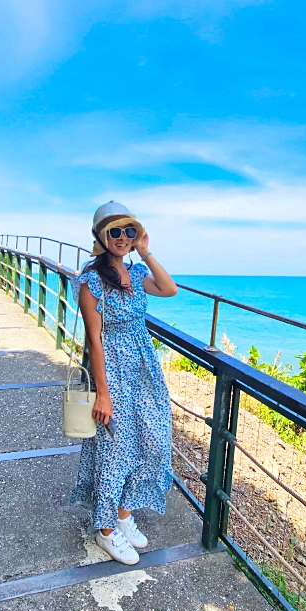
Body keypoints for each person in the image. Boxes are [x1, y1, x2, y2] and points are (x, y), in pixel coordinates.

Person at [70, 201, 178, 565]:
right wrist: (103, 393)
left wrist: (146, 253)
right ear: (102, 236)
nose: (122, 237)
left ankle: (124, 514)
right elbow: (94, 340)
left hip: (144, 367)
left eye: (129, 231)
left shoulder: (136, 273)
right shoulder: (91, 281)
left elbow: (169, 288)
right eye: (115, 231)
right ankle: (105, 529)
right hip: (112, 369)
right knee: (116, 449)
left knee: (154, 440)